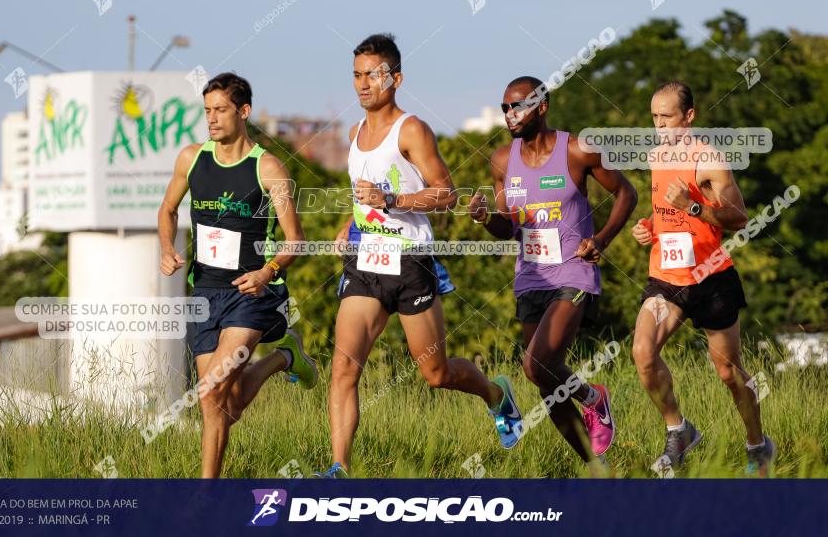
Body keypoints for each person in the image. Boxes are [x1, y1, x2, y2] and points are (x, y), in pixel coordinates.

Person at [316, 34, 521, 478]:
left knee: (436, 373)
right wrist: (349, 226)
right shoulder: (354, 134)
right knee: (344, 368)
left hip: (411, 264)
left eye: (373, 74)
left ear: (396, 78)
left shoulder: (411, 129)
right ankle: (339, 469)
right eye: (357, 74)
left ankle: (495, 394)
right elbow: (364, 199)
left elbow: (446, 194)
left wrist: (392, 200)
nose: (363, 83)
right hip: (367, 264)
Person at [469, 75, 637, 465]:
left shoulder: (577, 150)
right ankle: (597, 471)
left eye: (519, 106)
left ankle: (594, 397)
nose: (510, 114)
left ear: (542, 107)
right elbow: (508, 228)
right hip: (531, 278)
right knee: (546, 382)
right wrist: (483, 217)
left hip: (573, 272)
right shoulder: (500, 161)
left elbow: (627, 192)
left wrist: (603, 239)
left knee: (536, 364)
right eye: (505, 108)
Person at [158, 72, 317, 478]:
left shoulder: (269, 169)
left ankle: (205, 492)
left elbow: (295, 240)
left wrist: (268, 272)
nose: (211, 118)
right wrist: (166, 248)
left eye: (220, 110)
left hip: (253, 293)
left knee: (212, 389)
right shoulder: (191, 158)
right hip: (204, 292)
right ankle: (284, 357)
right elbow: (167, 210)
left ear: (243, 111)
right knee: (217, 405)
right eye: (207, 110)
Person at [630, 81, 775, 477]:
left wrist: (694, 204)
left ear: (689, 116)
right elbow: (663, 212)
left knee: (728, 372)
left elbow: (739, 219)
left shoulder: (708, 159)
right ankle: (679, 431)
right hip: (667, 276)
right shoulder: (657, 155)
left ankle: (757, 444)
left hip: (711, 277)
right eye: (654, 117)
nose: (659, 126)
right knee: (643, 352)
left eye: (667, 117)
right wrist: (647, 226)